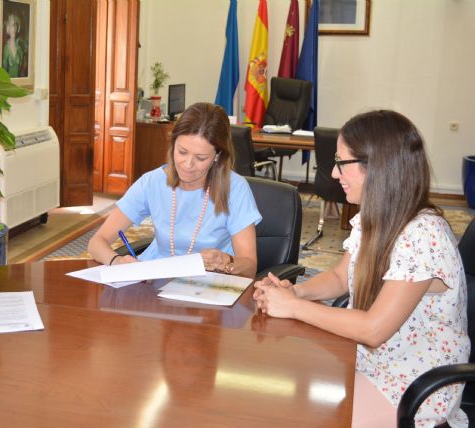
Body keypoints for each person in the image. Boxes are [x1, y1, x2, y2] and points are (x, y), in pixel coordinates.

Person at [253, 110, 470, 427]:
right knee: (279, 393)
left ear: (378, 167)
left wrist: (295, 307)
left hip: (410, 385)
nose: (334, 173)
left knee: (298, 417)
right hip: (368, 361)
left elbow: (373, 330)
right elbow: (341, 277)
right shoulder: (375, 217)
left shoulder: (422, 234)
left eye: (341, 162)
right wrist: (296, 292)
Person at [88, 102, 261, 278]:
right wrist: (116, 261)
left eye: (201, 158)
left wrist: (226, 262)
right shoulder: (152, 182)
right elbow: (96, 242)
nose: (188, 164)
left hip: (209, 283)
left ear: (217, 156)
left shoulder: (235, 189)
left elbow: (249, 266)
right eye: (182, 152)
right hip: (155, 280)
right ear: (173, 143)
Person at [2, 13, 27, 78]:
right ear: (8, 27)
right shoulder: (5, 48)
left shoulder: (20, 49)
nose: (13, 28)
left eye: (15, 25)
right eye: (11, 25)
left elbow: (22, 70)